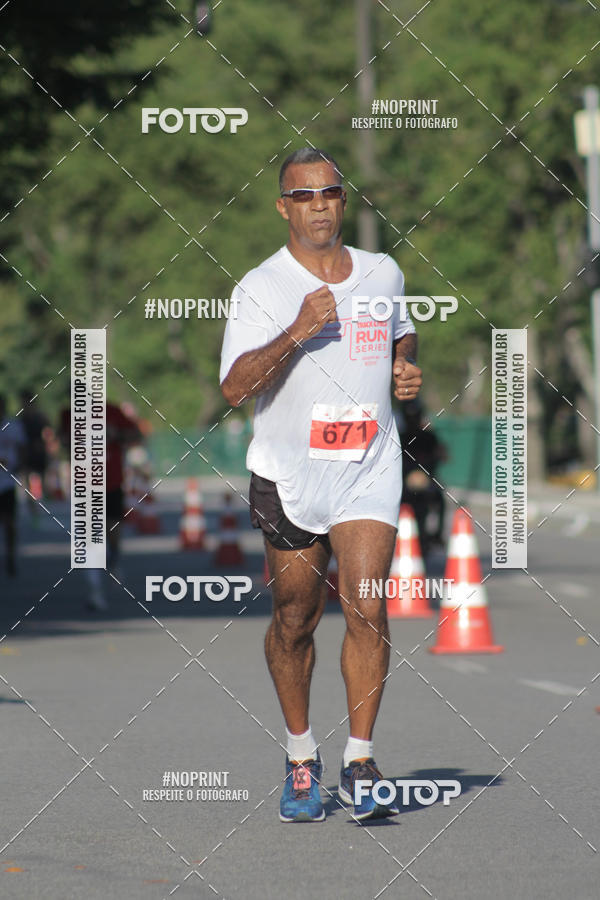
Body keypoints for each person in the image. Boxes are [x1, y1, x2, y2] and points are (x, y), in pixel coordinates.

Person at [220, 148, 422, 822]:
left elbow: (402, 334)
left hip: (368, 465)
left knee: (368, 607)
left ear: (343, 200)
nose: (318, 206)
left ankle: (360, 761)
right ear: (284, 207)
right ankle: (301, 757)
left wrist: (403, 366)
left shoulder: (383, 271)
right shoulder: (260, 287)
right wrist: (297, 330)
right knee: (294, 619)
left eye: (328, 193)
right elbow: (234, 388)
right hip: (290, 474)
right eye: (303, 196)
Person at [59, 400, 141, 610]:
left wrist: (116, 435)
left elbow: (136, 435)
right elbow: (62, 441)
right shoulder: (68, 414)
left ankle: (113, 560)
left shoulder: (112, 411)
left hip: (112, 482)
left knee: (112, 532)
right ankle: (95, 591)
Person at [0, 394, 26, 576]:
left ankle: (10, 556)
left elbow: (22, 448)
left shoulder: (14, 426)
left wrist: (19, 466)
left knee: (10, 523)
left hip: (7, 482)